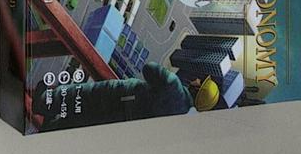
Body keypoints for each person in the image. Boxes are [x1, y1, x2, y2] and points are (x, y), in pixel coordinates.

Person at [32, 62, 219, 130]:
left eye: (200, 82)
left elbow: (149, 69)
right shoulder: (179, 118)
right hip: (123, 121)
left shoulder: (173, 85)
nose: (197, 79)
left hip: (120, 96)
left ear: (197, 89)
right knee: (83, 121)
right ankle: (51, 128)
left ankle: (43, 102)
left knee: (81, 97)